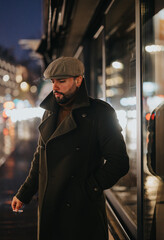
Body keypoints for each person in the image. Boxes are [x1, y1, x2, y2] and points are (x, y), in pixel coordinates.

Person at [11, 57, 129, 240]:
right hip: (50, 206)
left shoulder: (100, 113)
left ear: (78, 80)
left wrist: (90, 188)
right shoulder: (49, 112)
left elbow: (119, 161)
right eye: (53, 81)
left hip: (81, 212)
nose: (55, 87)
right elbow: (40, 157)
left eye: (62, 81)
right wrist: (24, 193)